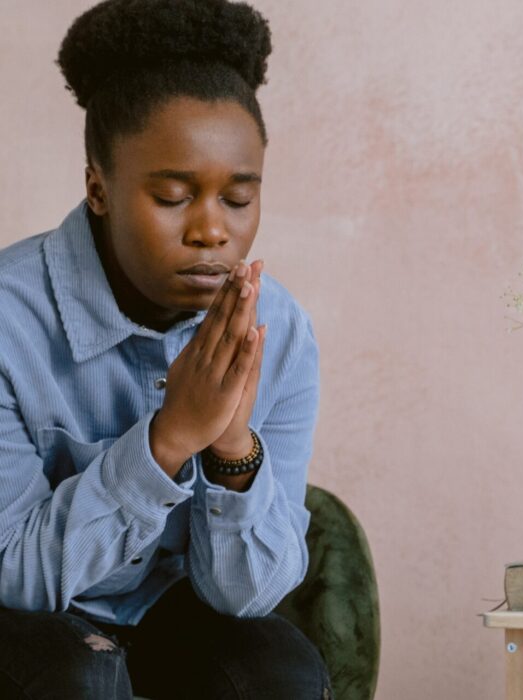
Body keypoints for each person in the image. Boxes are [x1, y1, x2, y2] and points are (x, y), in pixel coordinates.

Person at [0, 0, 332, 697]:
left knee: (280, 673)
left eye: (238, 200)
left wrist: (231, 441)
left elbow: (250, 597)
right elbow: (15, 576)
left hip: (171, 610)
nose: (212, 231)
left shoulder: (282, 330)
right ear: (99, 187)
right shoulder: (9, 318)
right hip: (26, 618)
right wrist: (169, 438)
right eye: (175, 196)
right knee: (80, 674)